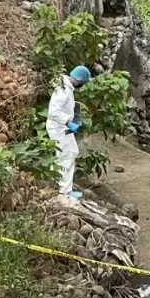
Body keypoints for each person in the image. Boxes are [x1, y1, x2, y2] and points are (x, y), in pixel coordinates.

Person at [46, 66, 92, 200]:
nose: (82, 85)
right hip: (58, 128)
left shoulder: (68, 88)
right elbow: (53, 112)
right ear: (79, 79)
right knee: (65, 157)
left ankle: (63, 185)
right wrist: (67, 121)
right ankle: (64, 191)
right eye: (83, 82)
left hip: (63, 128)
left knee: (72, 152)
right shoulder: (63, 90)